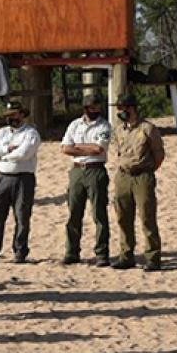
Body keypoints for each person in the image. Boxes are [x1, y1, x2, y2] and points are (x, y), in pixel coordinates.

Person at [111, 94, 165, 271]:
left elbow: (159, 154)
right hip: (123, 176)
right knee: (123, 217)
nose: (121, 112)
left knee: (147, 217)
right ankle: (126, 255)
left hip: (142, 176)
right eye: (119, 108)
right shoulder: (119, 130)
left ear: (132, 108)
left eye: (124, 108)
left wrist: (147, 171)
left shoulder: (148, 128)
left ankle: (153, 257)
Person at [0, 100, 41, 264]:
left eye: (14, 115)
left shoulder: (31, 133)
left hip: (23, 178)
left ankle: (20, 251)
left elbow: (24, 153)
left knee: (22, 217)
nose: (11, 118)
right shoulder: (2, 133)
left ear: (22, 114)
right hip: (2, 176)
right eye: (8, 115)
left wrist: (2, 155)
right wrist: (6, 150)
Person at [61, 94, 113, 266]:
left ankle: (102, 253)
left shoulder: (104, 125)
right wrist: (85, 149)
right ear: (85, 108)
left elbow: (99, 149)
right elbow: (65, 148)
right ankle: (72, 251)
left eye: (97, 107)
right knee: (74, 213)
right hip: (76, 170)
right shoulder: (74, 125)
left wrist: (77, 148)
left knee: (99, 213)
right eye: (92, 108)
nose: (95, 110)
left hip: (95, 170)